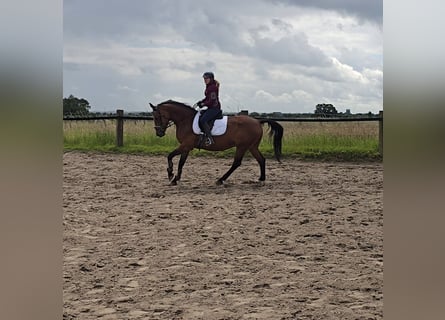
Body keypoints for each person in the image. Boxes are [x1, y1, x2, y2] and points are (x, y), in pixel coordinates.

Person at [195, 72, 222, 145]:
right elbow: (207, 98)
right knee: (200, 116)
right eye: (204, 78)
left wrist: (203, 104)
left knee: (203, 120)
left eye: (206, 78)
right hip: (211, 107)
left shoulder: (212, 87)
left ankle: (209, 138)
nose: (205, 80)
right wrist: (201, 102)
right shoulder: (209, 86)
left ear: (211, 79)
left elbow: (212, 100)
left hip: (214, 108)